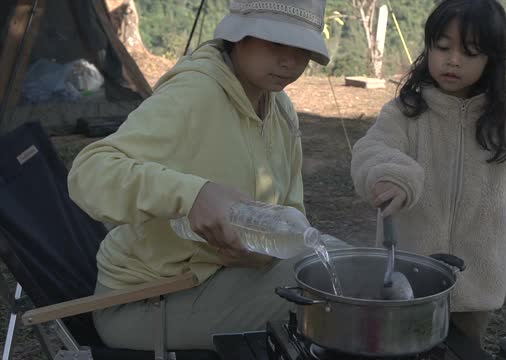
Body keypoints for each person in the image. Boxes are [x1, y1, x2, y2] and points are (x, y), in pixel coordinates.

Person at [67, 0, 332, 351]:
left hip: (223, 276)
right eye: (275, 43)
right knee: (328, 301)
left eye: (302, 50)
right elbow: (90, 172)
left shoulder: (280, 108)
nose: (290, 61)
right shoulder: (196, 93)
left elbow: (291, 211)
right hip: (146, 300)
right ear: (239, 36)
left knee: (344, 264)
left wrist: (261, 254)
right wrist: (193, 196)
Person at [351, 0, 506, 346]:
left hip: (478, 287)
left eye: (470, 52)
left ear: (492, 60)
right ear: (428, 48)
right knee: (400, 349)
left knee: (464, 350)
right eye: (442, 47)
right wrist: (394, 175)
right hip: (407, 282)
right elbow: (371, 149)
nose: (453, 60)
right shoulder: (405, 111)